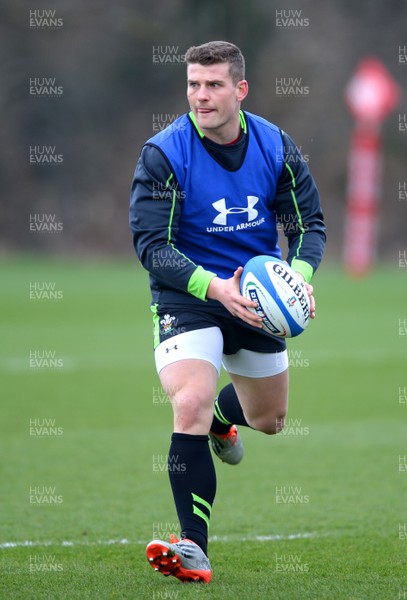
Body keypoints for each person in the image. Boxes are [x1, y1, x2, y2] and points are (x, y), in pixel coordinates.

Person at [129, 40, 325, 584]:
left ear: (240, 90)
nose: (201, 95)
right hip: (187, 294)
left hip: (258, 295)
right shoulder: (164, 153)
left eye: (213, 84)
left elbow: (309, 224)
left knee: (271, 420)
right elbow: (151, 244)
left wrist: (300, 280)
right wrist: (213, 288)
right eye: (193, 84)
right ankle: (193, 545)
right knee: (188, 400)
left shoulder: (275, 145)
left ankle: (224, 420)